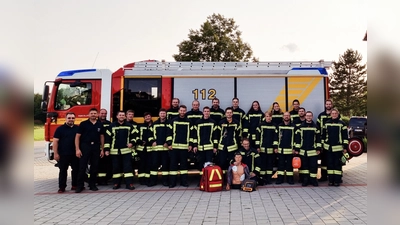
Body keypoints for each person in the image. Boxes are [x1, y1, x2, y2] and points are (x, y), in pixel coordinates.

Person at [104, 111, 137, 190]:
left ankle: (129, 184)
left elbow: (135, 136)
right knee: (116, 168)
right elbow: (107, 139)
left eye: (123, 115)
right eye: (120, 115)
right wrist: (107, 149)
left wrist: (132, 143)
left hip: (126, 151)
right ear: (117, 116)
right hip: (114, 151)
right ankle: (116, 183)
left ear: (125, 117)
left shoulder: (129, 126)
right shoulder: (111, 126)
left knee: (128, 168)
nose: (121, 116)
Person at [75, 108, 105, 193]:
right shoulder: (83, 124)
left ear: (97, 115)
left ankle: (92, 185)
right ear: (88, 115)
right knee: (82, 167)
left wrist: (102, 149)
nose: (93, 115)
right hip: (85, 146)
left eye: (95, 113)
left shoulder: (99, 124)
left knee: (94, 167)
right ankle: (80, 186)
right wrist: (77, 149)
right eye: (91, 113)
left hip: (95, 146)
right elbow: (77, 136)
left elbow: (102, 137)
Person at [167, 105, 194, 188]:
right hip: (174, 147)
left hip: (184, 148)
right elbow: (169, 133)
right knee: (173, 165)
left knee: (184, 166)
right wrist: (169, 143)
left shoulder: (189, 121)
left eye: (184, 111)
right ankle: (172, 183)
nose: (182, 112)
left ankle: (184, 182)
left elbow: (192, 134)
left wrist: (191, 144)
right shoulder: (173, 121)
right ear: (179, 111)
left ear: (186, 111)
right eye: (181, 110)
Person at [53, 112, 79, 193]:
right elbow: (55, 142)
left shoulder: (78, 128)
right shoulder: (60, 129)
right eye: (69, 118)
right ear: (66, 118)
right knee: (63, 170)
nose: (71, 119)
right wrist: (56, 153)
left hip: (75, 153)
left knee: (76, 170)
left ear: (75, 119)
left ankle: (74, 185)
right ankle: (62, 187)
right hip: (63, 154)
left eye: (72, 118)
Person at [321, 109, 348, 186]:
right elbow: (323, 135)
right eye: (332, 113)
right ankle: (331, 180)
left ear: (338, 114)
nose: (334, 114)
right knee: (329, 164)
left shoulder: (342, 124)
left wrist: (345, 147)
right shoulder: (326, 123)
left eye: (335, 113)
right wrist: (322, 145)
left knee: (337, 165)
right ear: (331, 115)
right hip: (328, 148)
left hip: (338, 148)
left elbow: (345, 136)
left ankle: (337, 180)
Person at [294, 111, 321, 186]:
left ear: (312, 117)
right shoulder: (300, 127)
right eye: (307, 116)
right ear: (305, 117)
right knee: (304, 167)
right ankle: (305, 180)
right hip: (303, 151)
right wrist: (297, 149)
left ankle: (313, 180)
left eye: (310, 116)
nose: (308, 117)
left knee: (313, 166)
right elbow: (298, 139)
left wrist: (318, 148)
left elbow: (318, 139)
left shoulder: (315, 127)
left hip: (313, 151)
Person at [193, 106, 218, 186]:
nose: (206, 112)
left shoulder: (213, 122)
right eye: (205, 111)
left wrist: (215, 146)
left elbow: (215, 136)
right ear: (203, 112)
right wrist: (195, 145)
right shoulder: (198, 122)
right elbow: (195, 135)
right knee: (201, 164)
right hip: (200, 147)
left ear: (209, 112)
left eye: (208, 111)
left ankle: (208, 180)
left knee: (209, 164)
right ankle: (201, 181)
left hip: (209, 147)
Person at [317, 99, 340, 182]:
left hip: (335, 142)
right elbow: (318, 128)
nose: (328, 105)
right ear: (325, 105)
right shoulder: (321, 115)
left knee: (336, 161)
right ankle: (324, 176)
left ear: (332, 105)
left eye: (330, 104)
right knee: (324, 160)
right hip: (325, 142)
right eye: (327, 104)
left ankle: (337, 178)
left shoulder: (336, 116)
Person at [148, 108, 170, 187]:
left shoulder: (169, 124)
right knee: (154, 165)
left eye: (164, 113)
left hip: (165, 149)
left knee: (165, 165)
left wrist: (168, 142)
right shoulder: (154, 124)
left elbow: (170, 134)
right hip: (156, 149)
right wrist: (152, 141)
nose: (163, 115)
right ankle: (153, 181)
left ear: (166, 114)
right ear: (159, 114)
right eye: (161, 113)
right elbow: (149, 134)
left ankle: (165, 181)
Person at [216, 107, 241, 174]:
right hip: (222, 147)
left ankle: (231, 180)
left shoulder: (236, 123)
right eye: (227, 113)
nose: (229, 114)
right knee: (222, 163)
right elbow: (217, 134)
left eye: (230, 113)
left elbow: (239, 135)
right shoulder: (221, 122)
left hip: (232, 147)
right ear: (225, 114)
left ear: (232, 113)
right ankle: (223, 179)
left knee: (232, 164)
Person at [256, 111, 278, 185]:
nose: (268, 118)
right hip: (262, 149)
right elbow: (258, 137)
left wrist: (275, 147)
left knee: (270, 164)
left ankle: (269, 178)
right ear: (265, 117)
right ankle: (262, 178)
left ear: (271, 117)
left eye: (269, 116)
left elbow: (276, 137)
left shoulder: (274, 126)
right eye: (267, 116)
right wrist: (258, 147)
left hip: (271, 149)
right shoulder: (260, 125)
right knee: (263, 164)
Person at [275, 112, 296, 185]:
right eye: (285, 115)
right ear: (283, 117)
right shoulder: (279, 126)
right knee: (280, 165)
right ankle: (280, 179)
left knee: (289, 165)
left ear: (290, 117)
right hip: (281, 149)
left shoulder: (294, 126)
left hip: (290, 150)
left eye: (288, 115)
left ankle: (290, 179)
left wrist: (295, 148)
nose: (286, 117)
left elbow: (296, 138)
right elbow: (276, 137)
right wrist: (275, 147)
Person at [136, 112, 154, 186]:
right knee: (141, 165)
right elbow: (135, 136)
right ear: (144, 118)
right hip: (141, 149)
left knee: (149, 165)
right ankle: (141, 179)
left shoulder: (153, 125)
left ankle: (147, 179)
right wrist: (140, 142)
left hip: (150, 148)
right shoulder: (140, 126)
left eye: (149, 116)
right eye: (146, 117)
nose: (147, 118)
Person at [97, 108, 112, 185]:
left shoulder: (109, 123)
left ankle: (104, 180)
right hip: (97, 146)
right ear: (99, 114)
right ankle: (98, 180)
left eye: (105, 113)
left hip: (106, 146)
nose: (103, 115)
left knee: (106, 164)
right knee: (98, 164)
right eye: (102, 113)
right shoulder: (96, 123)